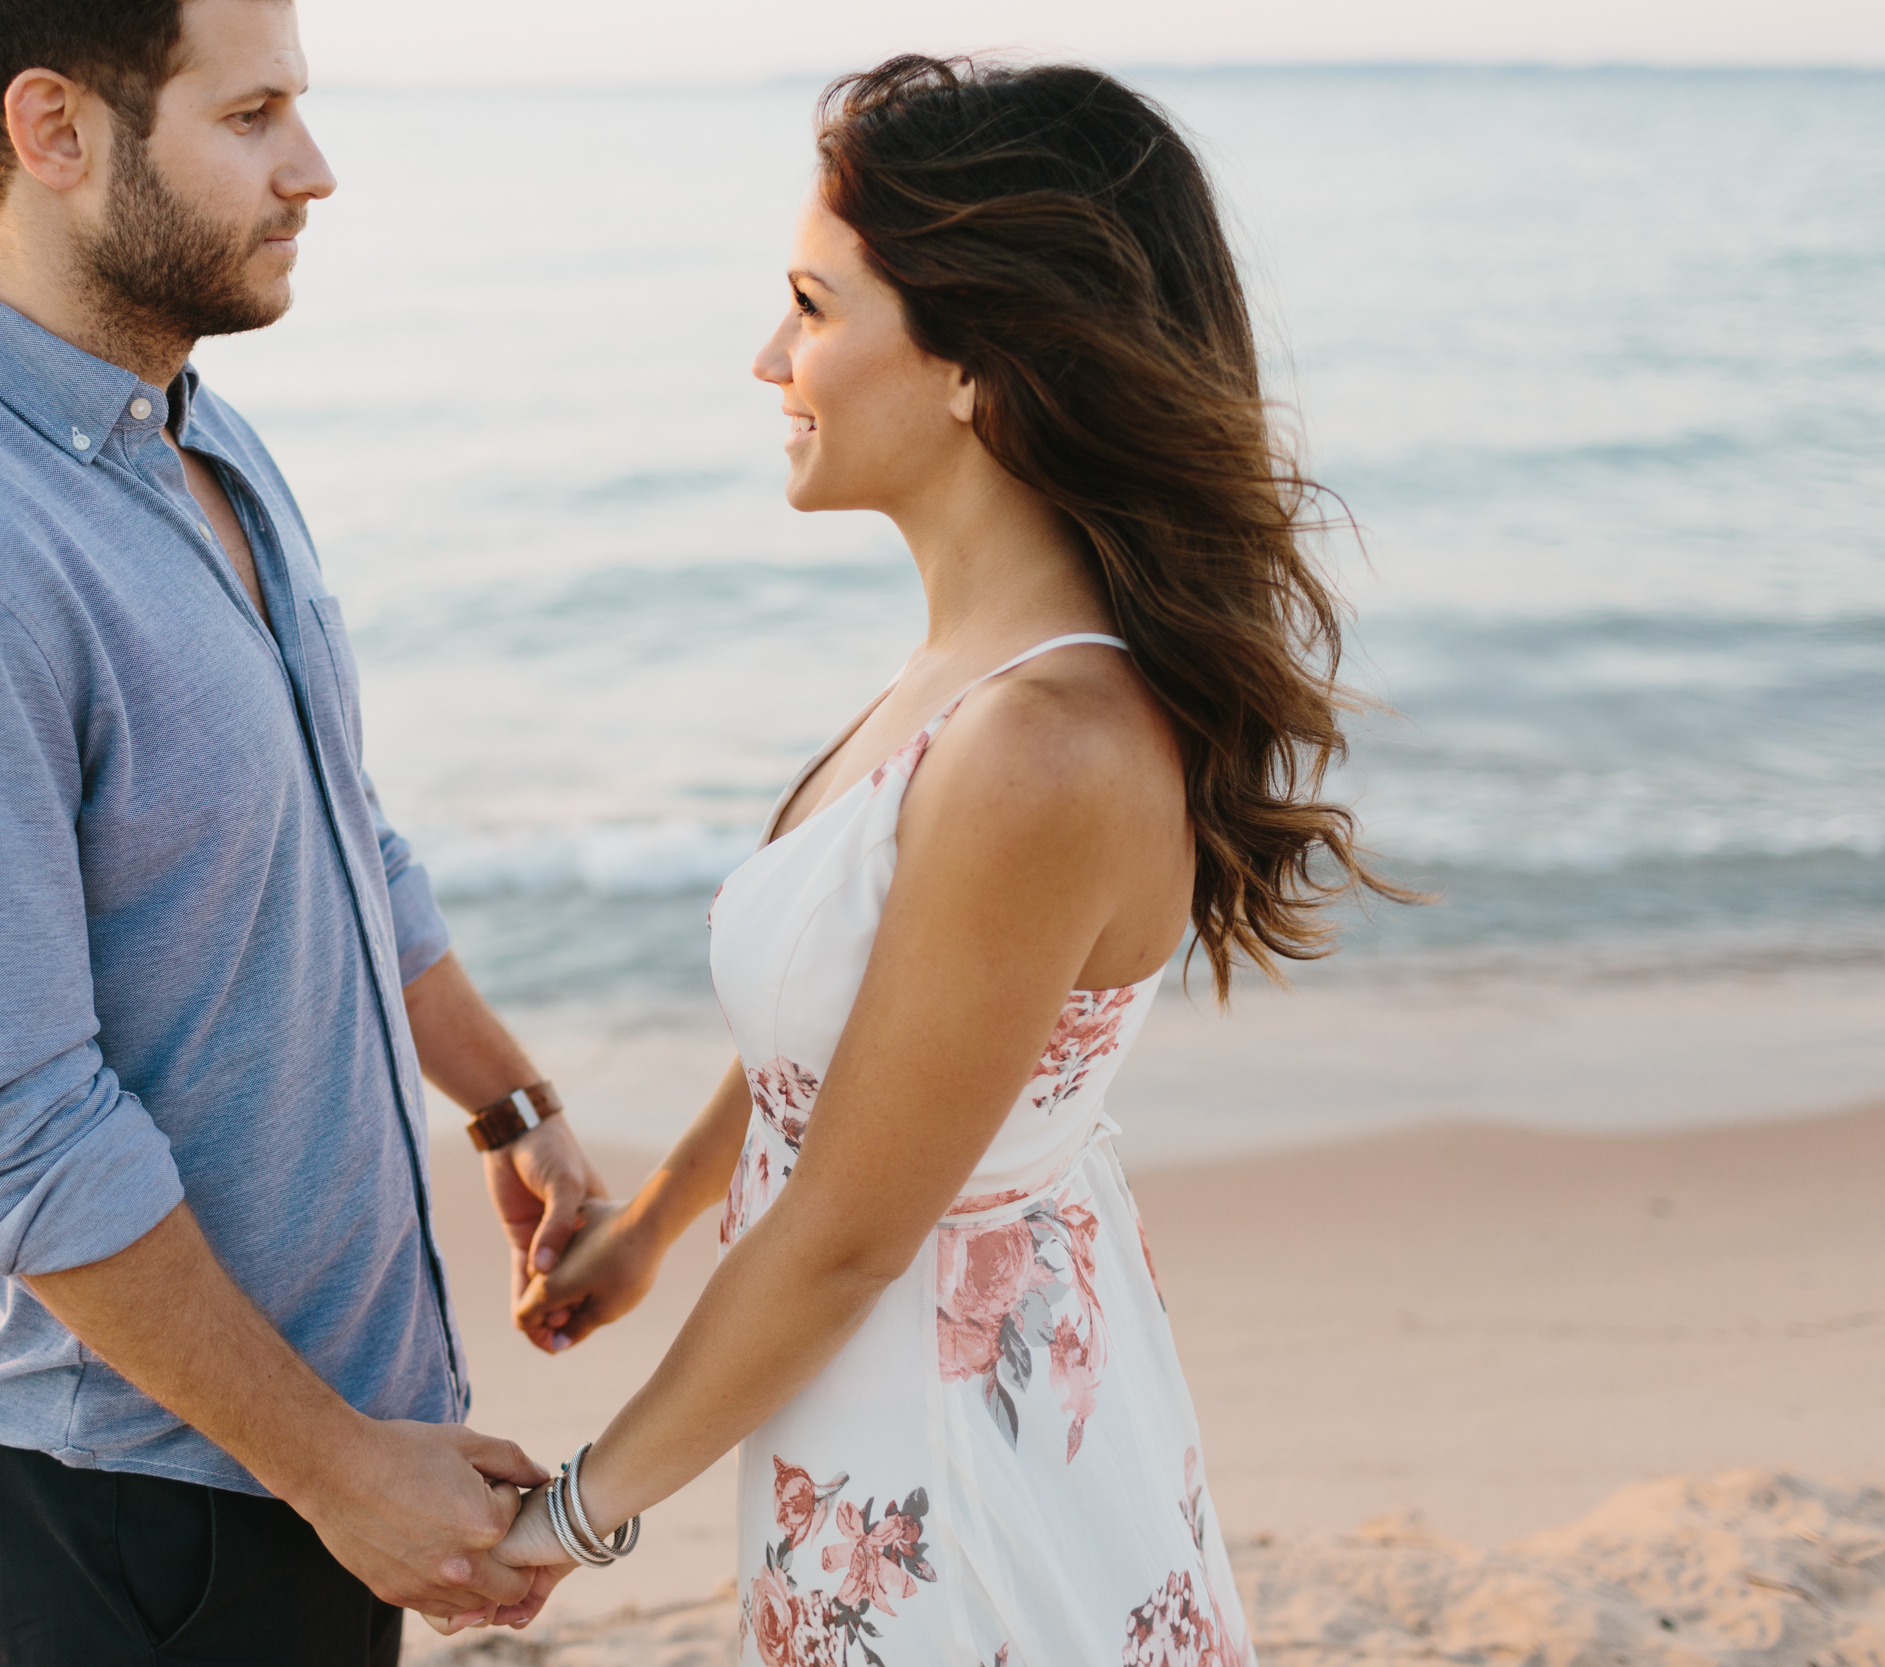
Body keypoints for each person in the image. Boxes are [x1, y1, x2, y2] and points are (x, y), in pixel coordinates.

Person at [472, 56, 1410, 1661]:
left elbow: (845, 1234)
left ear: (979, 364)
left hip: (950, 1469)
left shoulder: (1041, 747)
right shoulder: (977, 673)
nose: (770, 356)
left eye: (813, 307)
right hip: (891, 1407)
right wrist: (659, 1219)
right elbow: (866, 1025)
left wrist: (565, 1517)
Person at [0, 0, 604, 1657]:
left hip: (308, 1456)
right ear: (56, 131)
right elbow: (17, 1135)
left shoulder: (192, 430)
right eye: (254, 114)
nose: (316, 169)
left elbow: (337, 834)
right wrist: (340, 1470)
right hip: (145, 1502)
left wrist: (509, 1105)